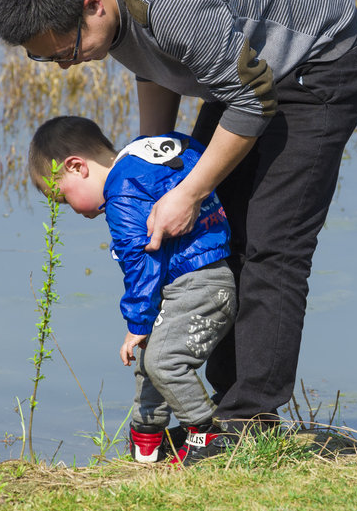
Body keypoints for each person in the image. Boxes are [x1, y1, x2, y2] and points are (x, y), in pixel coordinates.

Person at [0, 0, 357, 463]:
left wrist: (189, 192)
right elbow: (156, 67)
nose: (65, 65)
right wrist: (154, 163)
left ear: (92, 5)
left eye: (65, 51)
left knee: (271, 244)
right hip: (245, 63)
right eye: (46, 58)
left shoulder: (171, 3)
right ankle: (219, 409)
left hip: (316, 63)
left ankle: (249, 421)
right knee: (212, 237)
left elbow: (252, 98)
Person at [28, 115, 237, 464]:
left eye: (63, 198)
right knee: (148, 360)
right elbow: (197, 153)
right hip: (206, 278)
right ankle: (147, 439)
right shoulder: (147, 155)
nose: (70, 210)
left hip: (198, 285)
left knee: (162, 360)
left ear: (77, 166)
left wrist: (136, 324)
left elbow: (142, 260)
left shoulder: (122, 191)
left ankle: (207, 436)